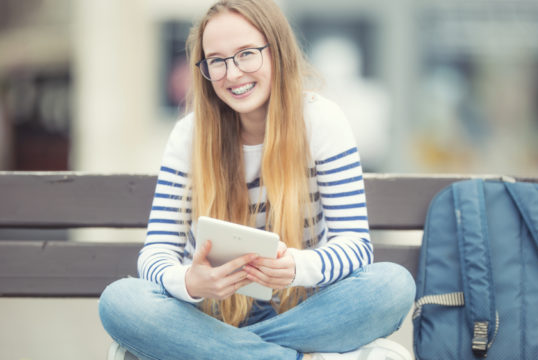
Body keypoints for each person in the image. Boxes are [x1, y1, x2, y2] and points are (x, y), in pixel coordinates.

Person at [98, 1, 415, 359]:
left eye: (246, 54)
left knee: (393, 285)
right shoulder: (189, 135)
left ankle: (218, 353)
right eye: (216, 60)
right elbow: (155, 253)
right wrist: (190, 282)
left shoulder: (321, 121)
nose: (232, 74)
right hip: (209, 314)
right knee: (119, 301)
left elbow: (356, 247)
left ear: (276, 51)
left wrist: (296, 267)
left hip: (302, 309)